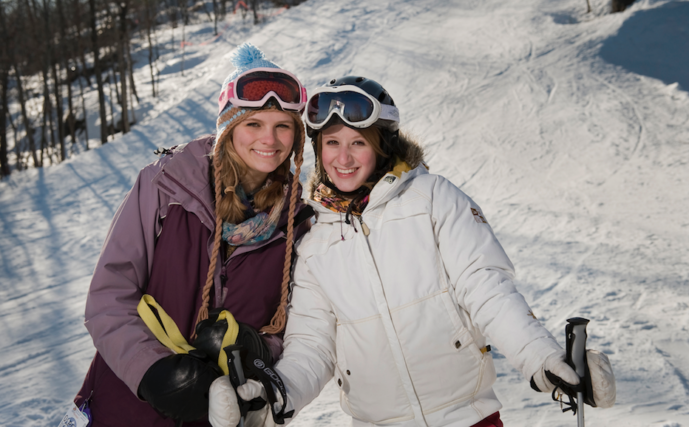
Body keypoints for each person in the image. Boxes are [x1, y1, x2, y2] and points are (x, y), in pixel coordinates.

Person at [209, 76, 616, 427]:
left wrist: (542, 358)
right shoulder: (314, 241)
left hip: (467, 418)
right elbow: (312, 345)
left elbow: (486, 290)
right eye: (332, 143)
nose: (343, 158)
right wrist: (277, 394)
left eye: (358, 143)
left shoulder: (433, 198)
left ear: (383, 145)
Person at [73, 43, 312, 427]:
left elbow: (296, 327)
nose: (269, 140)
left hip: (221, 414)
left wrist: (257, 351)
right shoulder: (166, 186)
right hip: (128, 405)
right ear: (229, 128)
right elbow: (109, 296)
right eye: (254, 124)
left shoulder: (297, 221)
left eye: (282, 126)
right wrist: (150, 372)